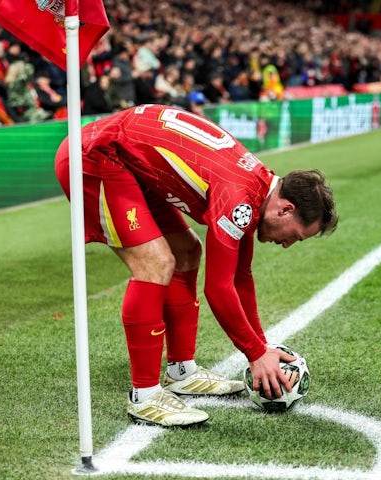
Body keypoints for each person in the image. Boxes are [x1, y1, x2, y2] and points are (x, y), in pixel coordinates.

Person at [54, 104, 337, 427]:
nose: (288, 244)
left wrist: (261, 346)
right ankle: (144, 396)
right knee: (156, 263)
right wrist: (256, 355)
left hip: (127, 162)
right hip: (93, 157)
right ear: (285, 210)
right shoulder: (239, 198)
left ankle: (181, 371)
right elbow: (217, 289)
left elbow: (240, 277)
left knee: (187, 252)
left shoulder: (256, 186)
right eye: (296, 237)